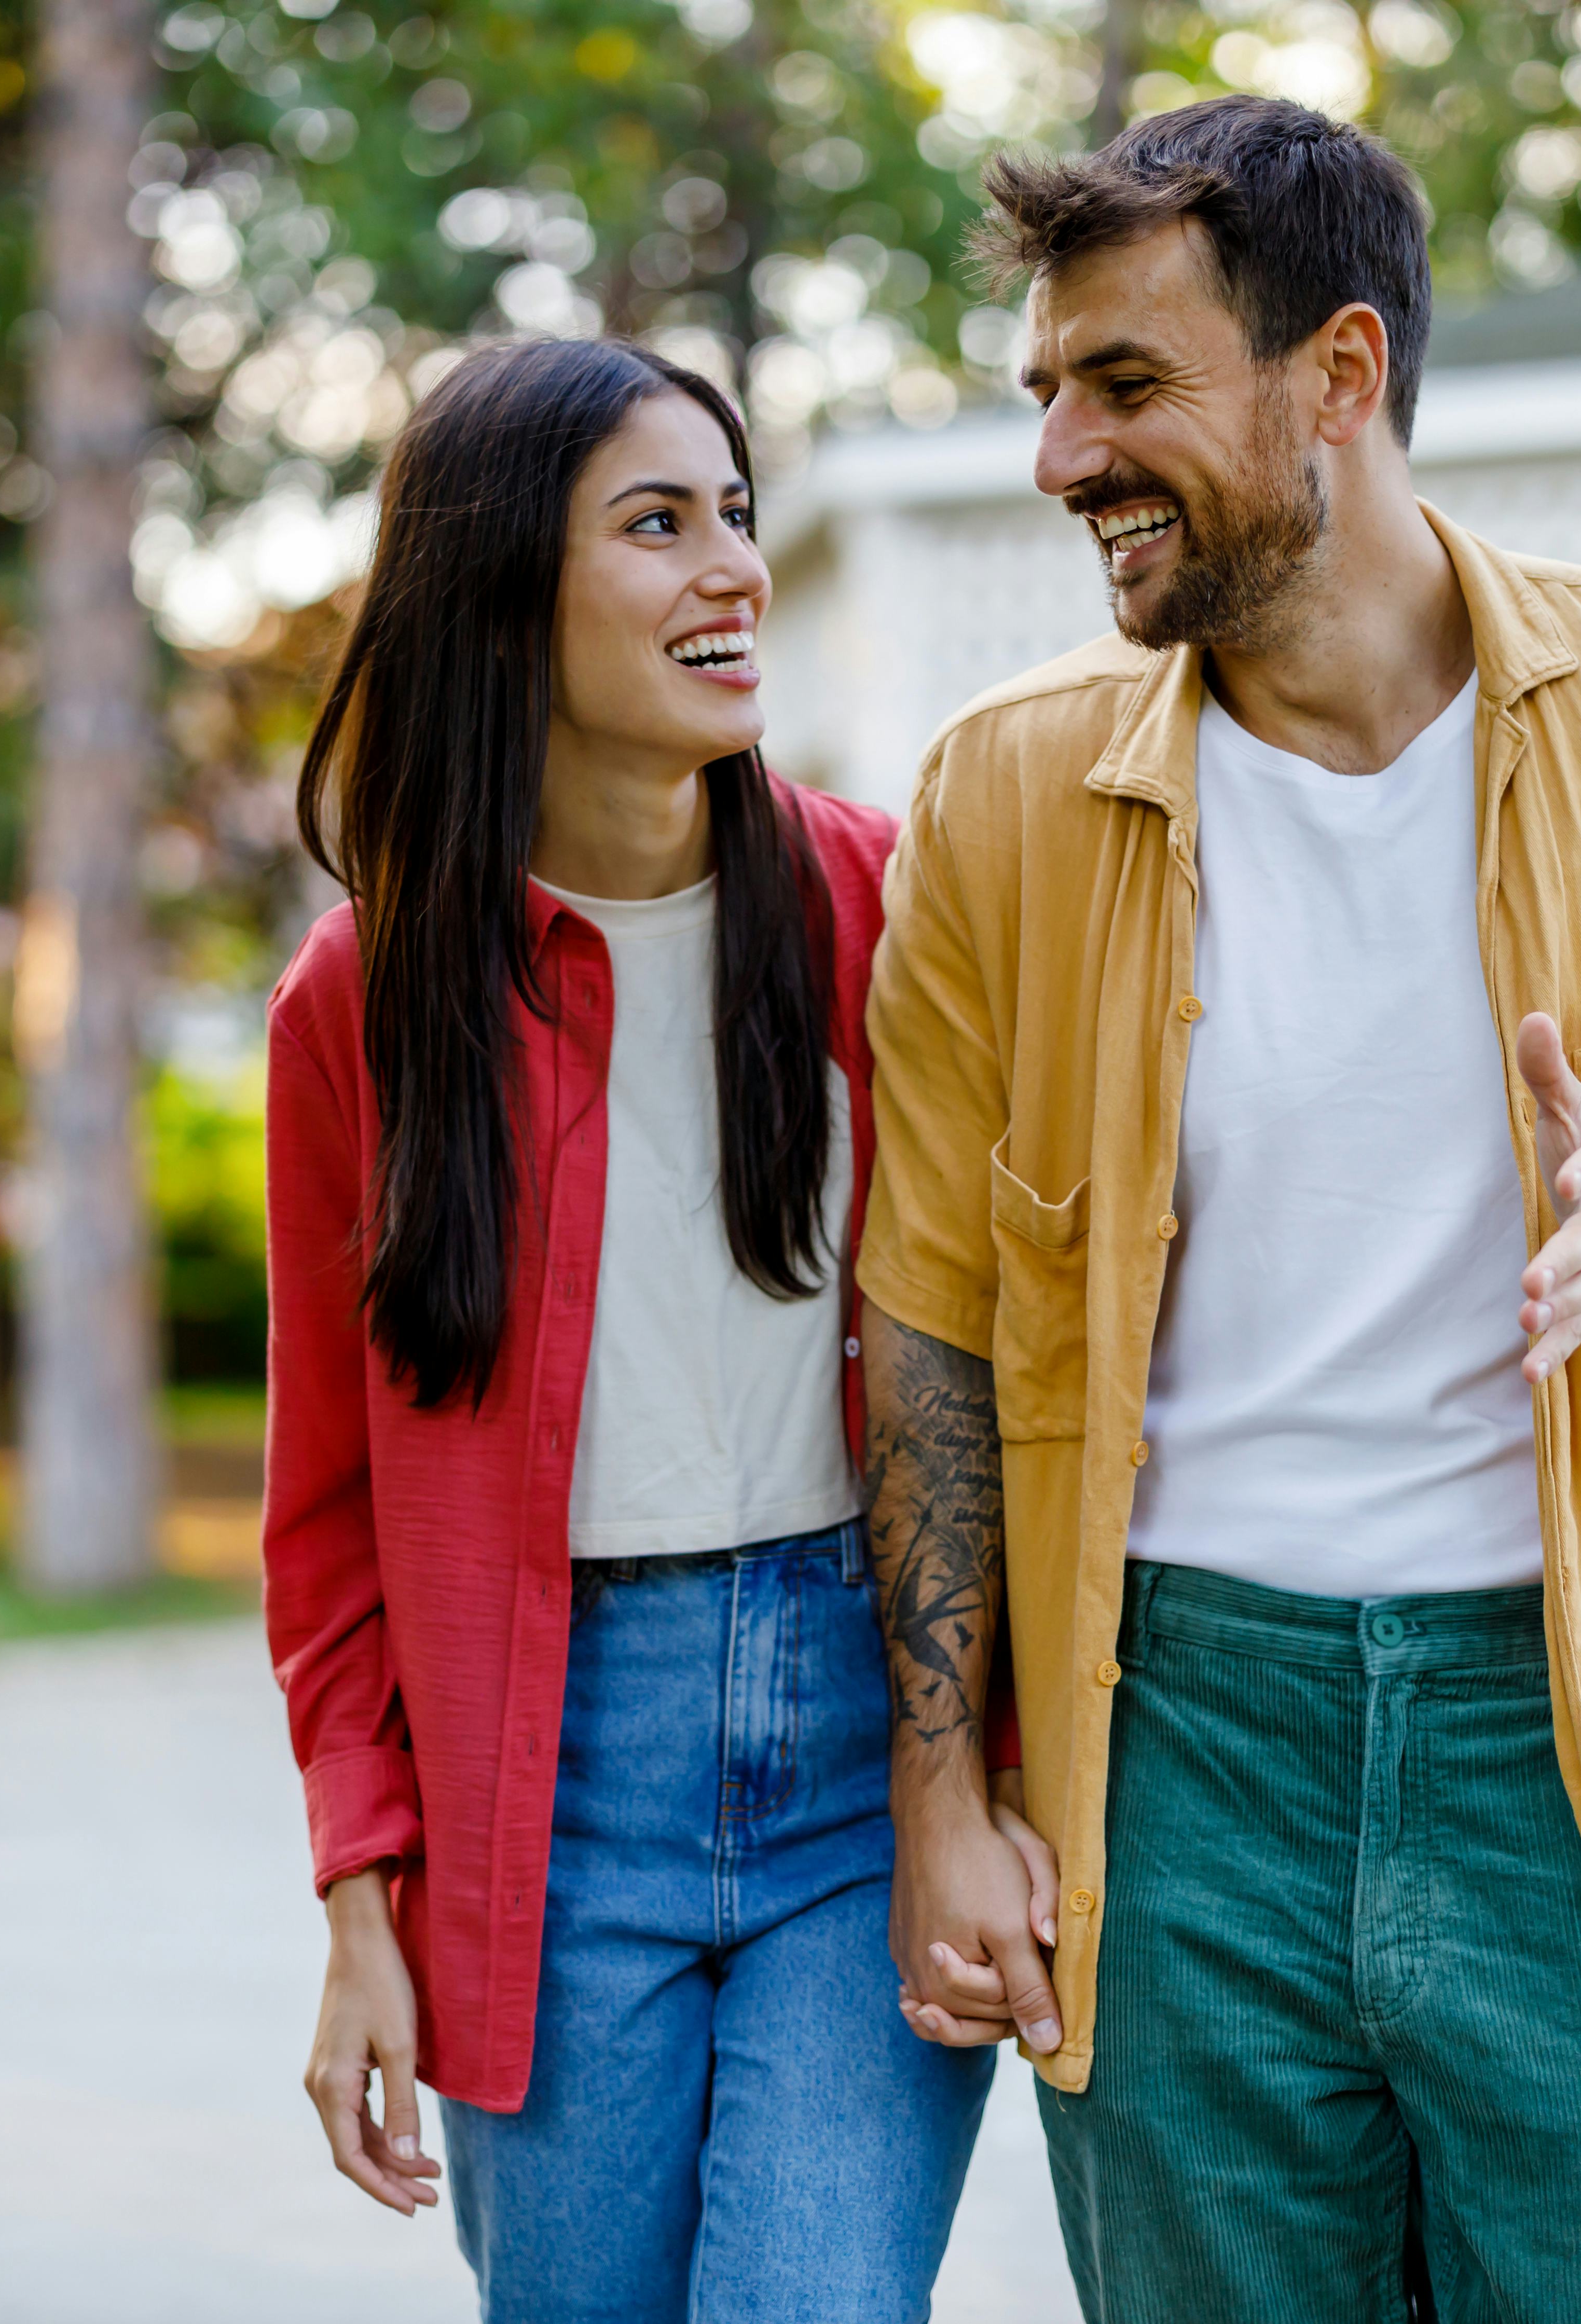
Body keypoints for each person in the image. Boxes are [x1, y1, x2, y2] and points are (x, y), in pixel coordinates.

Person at [857, 99, 1581, 2322]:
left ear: (1336, 375)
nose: (1058, 454)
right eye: (1046, 390)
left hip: (1576, 1736)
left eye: (1122, 384)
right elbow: (928, 1326)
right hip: (1175, 1753)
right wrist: (939, 1790)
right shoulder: (1001, 795)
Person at [262, 336, 1009, 2323]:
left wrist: (983, 1779)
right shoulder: (362, 1001)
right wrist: (360, 1897)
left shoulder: (883, 907)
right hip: (549, 1799)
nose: (734, 568)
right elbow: (325, 1521)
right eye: (657, 524)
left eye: (734, 515)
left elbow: (1012, 1359)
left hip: (863, 1765)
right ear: (504, 589)